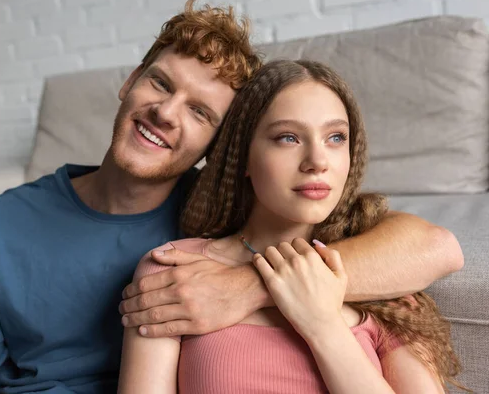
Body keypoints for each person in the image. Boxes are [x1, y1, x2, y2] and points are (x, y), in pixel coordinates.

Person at [0, 0, 462, 394]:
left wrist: (247, 287)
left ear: (219, 147)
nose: (166, 112)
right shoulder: (10, 221)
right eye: (159, 84)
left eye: (200, 112)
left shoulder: (213, 219)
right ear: (131, 80)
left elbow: (434, 246)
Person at [118, 59, 468, 394]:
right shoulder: (175, 271)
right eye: (288, 137)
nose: (318, 161)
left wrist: (323, 326)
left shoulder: (388, 284)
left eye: (335, 138)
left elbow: (442, 246)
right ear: (242, 158)